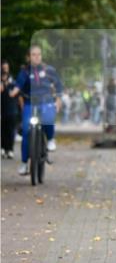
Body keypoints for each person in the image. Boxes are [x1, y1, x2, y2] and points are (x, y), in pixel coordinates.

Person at [11, 45, 63, 175]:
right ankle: (24, 164)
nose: (36, 57)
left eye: (38, 54)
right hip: (30, 103)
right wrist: (12, 93)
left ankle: (50, 139)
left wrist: (58, 100)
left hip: (46, 102)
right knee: (26, 131)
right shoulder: (24, 72)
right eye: (33, 54)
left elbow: (58, 86)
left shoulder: (49, 70)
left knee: (49, 118)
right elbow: (17, 87)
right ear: (28, 57)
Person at [1, 60, 20, 158]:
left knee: (11, 130)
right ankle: (3, 148)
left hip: (12, 109)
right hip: (2, 109)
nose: (5, 70)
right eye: (3, 68)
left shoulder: (13, 79)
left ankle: (10, 149)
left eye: (6, 68)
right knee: (3, 129)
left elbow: (16, 91)